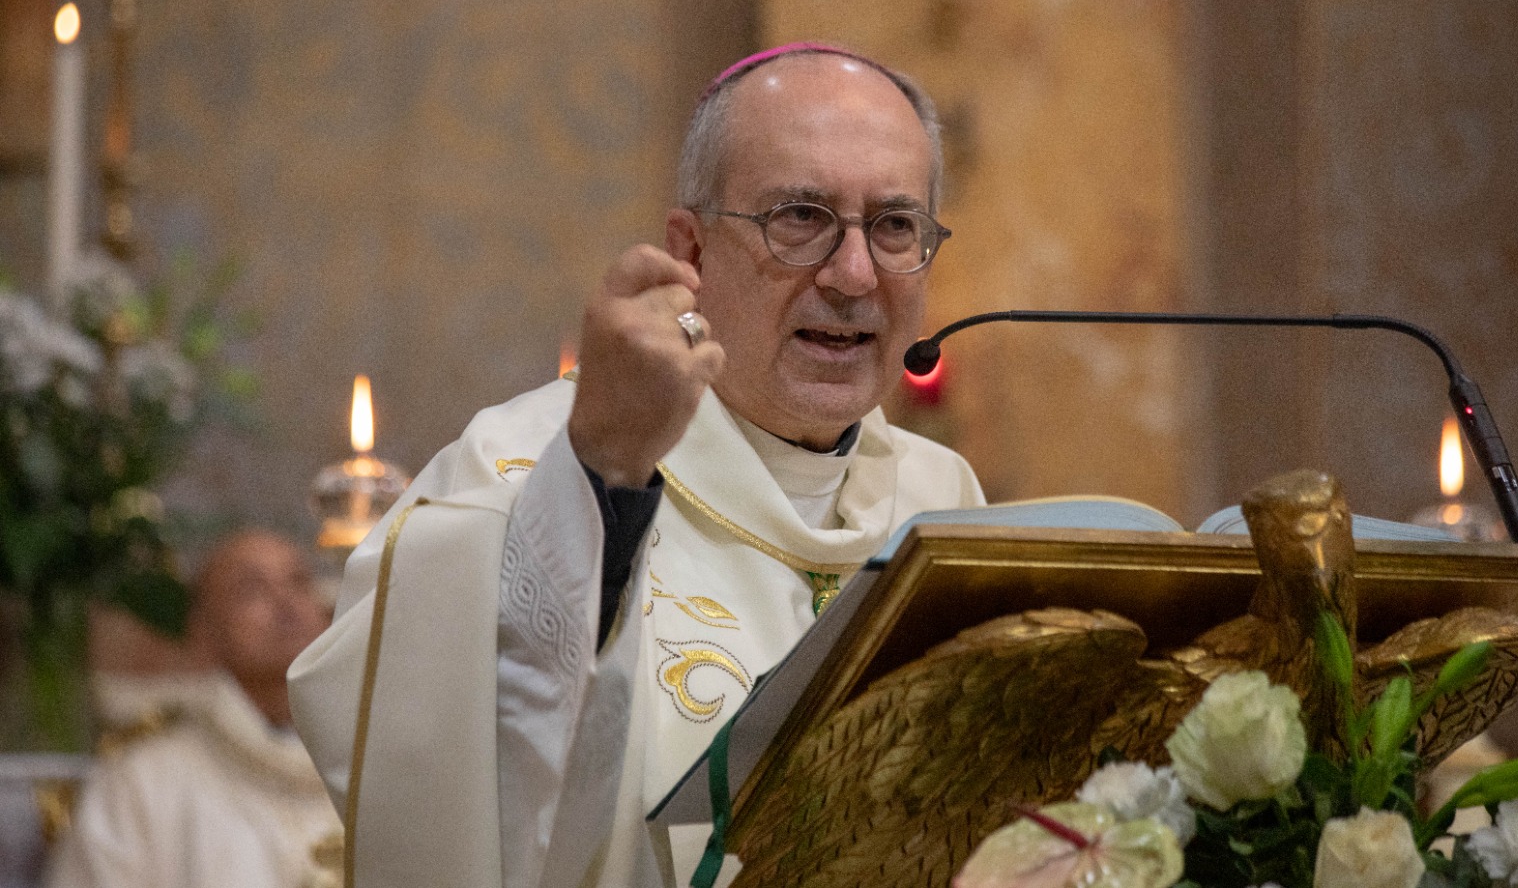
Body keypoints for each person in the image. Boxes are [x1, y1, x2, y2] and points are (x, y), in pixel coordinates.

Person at [287, 43, 985, 888]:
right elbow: (427, 770)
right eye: (800, 217)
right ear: (690, 252)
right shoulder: (532, 467)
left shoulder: (941, 499)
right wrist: (602, 481)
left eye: (896, 226)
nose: (853, 274)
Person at [48, 531, 341, 888]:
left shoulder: (373, 769)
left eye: (299, 582)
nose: (287, 604)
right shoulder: (141, 786)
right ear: (203, 631)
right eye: (252, 589)